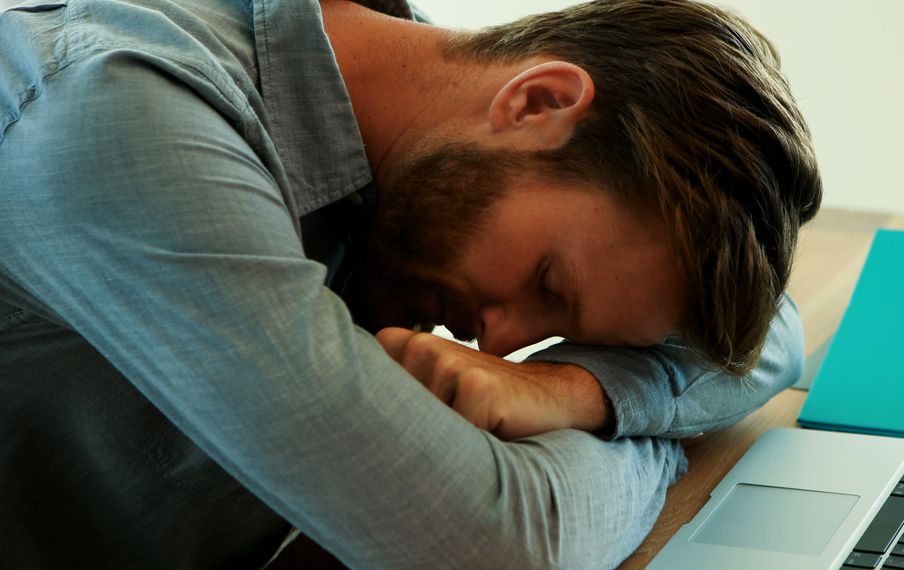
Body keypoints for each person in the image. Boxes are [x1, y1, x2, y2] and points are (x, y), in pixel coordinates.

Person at [0, 0, 821, 567]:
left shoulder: (412, 113)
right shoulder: (124, 118)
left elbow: (774, 334)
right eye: (547, 281)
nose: (501, 342)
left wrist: (578, 392)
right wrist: (659, 442)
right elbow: (492, 549)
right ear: (537, 100)